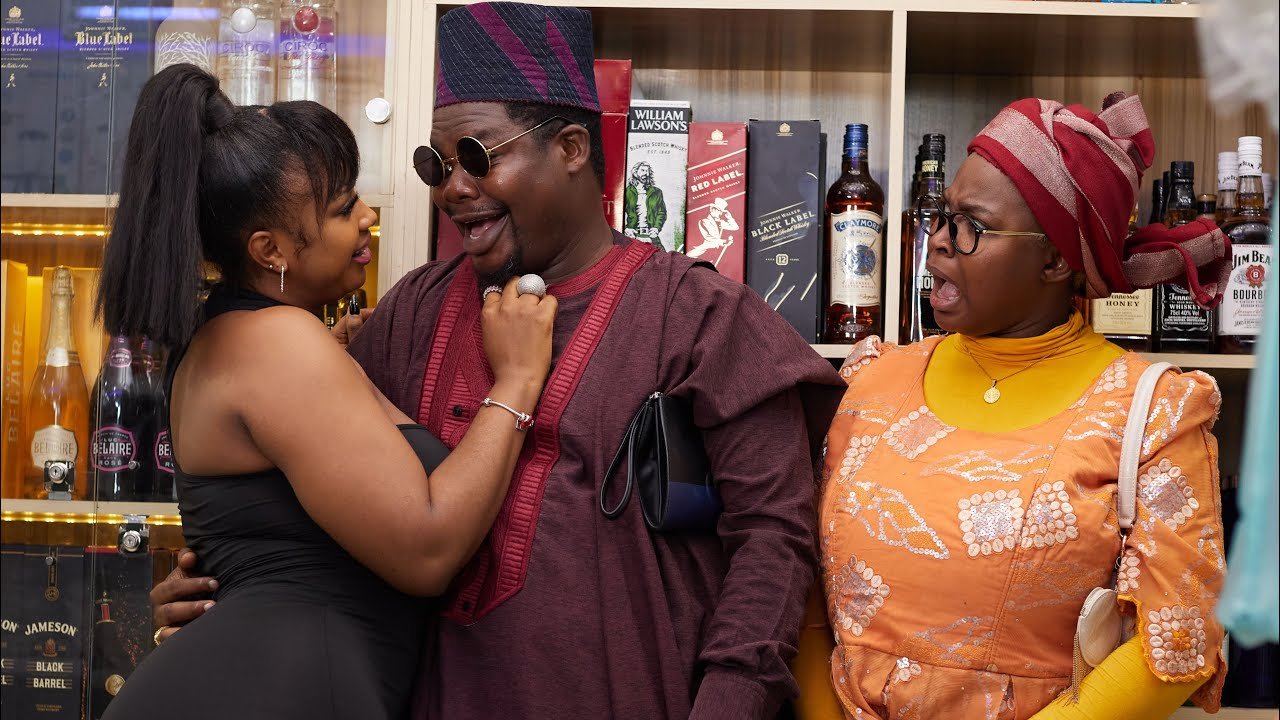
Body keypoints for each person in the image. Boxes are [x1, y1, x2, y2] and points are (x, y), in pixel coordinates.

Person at [151, 3, 846, 719]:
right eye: (437, 164)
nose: (452, 187)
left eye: (479, 157)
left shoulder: (700, 316)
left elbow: (773, 539)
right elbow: (297, 490)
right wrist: (221, 591)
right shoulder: (411, 312)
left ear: (571, 148)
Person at [97, 63, 556, 720]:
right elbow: (427, 550)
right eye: (343, 208)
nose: (367, 217)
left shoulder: (237, 337)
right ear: (271, 249)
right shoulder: (276, 343)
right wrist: (517, 381)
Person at [794, 93, 1232, 720]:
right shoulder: (872, 382)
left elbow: (1175, 643)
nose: (937, 243)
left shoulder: (1152, 413)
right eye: (943, 217)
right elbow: (807, 594)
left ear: (1055, 258)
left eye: (970, 226)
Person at [624, 160, 668, 243]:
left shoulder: (657, 192)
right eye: (643, 170)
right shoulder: (627, 192)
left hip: (651, 236)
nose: (646, 174)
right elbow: (620, 212)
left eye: (648, 171)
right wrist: (626, 229)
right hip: (632, 236)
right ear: (635, 172)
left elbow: (662, 212)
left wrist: (656, 228)